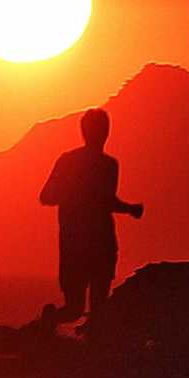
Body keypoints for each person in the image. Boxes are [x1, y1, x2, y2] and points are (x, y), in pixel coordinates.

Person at [38, 107, 143, 327]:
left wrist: (129, 208)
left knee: (89, 309)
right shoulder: (99, 164)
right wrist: (129, 209)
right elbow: (46, 196)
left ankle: (54, 330)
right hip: (83, 245)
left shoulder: (106, 164)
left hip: (92, 245)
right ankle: (46, 326)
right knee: (80, 309)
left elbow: (106, 200)